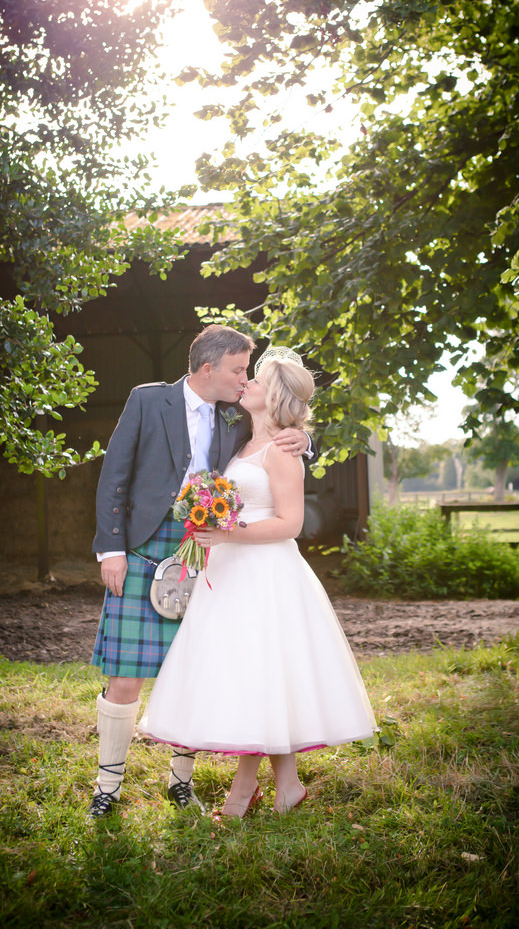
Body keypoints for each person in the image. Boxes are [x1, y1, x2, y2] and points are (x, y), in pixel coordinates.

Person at [138, 347, 378, 816]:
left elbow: (290, 524)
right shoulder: (241, 442)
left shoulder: (284, 451)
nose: (244, 382)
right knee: (260, 678)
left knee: (258, 675)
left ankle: (242, 793)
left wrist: (227, 531)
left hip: (266, 575)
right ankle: (286, 786)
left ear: (274, 397)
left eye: (256, 379)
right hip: (230, 573)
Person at [88, 326, 313, 819]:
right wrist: (111, 549)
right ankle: (108, 787)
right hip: (144, 546)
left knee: (193, 665)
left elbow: (272, 446)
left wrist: (305, 441)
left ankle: (180, 783)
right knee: (125, 675)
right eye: (238, 369)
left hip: (206, 550)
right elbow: (114, 475)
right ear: (208, 368)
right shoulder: (147, 401)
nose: (244, 379)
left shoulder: (236, 414)